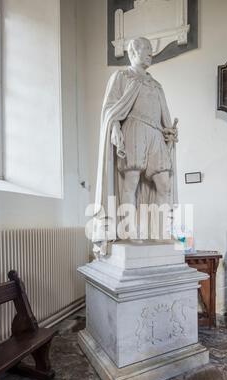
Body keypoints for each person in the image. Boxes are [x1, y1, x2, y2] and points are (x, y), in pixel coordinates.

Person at [92, 37, 178, 257]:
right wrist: (114, 129)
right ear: (133, 52)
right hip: (133, 127)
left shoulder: (156, 85)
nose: (151, 53)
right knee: (130, 182)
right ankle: (129, 233)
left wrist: (169, 131)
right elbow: (111, 109)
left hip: (155, 134)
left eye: (151, 49)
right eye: (146, 49)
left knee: (164, 183)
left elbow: (163, 116)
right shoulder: (121, 76)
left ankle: (160, 233)